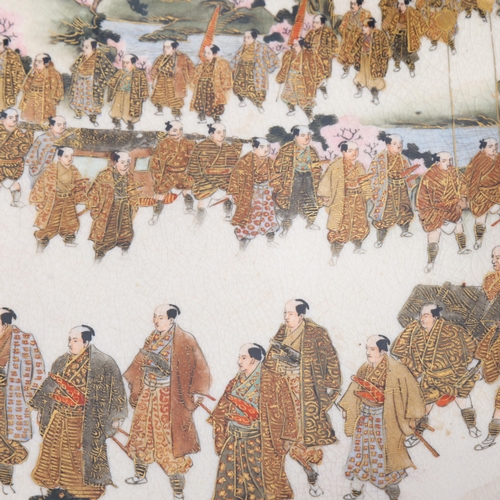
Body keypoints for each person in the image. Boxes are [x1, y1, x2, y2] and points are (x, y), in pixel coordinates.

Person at [29, 325, 127, 500]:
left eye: (75, 340)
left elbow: (117, 389)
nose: (70, 344)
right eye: (69, 340)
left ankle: (81, 494)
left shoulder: (103, 362)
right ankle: (56, 490)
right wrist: (41, 407)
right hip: (59, 416)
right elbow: (50, 385)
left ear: (86, 342)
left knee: (78, 457)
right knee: (54, 454)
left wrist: (117, 416)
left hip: (85, 419)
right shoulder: (62, 361)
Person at [124, 304, 211, 500]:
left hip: (168, 396)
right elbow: (139, 363)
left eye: (161, 317)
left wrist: (199, 391)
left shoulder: (185, 339)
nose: (156, 321)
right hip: (148, 392)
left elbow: (200, 366)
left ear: (171, 320)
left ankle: (178, 490)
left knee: (169, 439)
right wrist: (136, 381)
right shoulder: (152, 338)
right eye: (155, 316)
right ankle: (140, 474)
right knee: (141, 432)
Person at [264, 299, 341, 496]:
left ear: (301, 315)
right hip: (280, 392)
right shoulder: (282, 331)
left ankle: (310, 474)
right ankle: (281, 482)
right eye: (285, 313)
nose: (286, 317)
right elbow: (270, 360)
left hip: (304, 394)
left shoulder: (316, 333)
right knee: (277, 435)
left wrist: (332, 387)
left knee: (301, 438)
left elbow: (331, 359)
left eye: (290, 314)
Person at [339, 335, 425, 500]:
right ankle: (356, 491)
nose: (368, 352)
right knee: (360, 453)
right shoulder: (365, 368)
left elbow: (412, 392)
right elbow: (354, 388)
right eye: (367, 348)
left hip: (385, 419)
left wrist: (413, 417)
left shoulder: (397, 369)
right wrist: (347, 407)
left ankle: (393, 493)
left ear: (382, 351)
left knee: (387, 457)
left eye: (372, 349)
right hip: (364, 418)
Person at [209, 343, 297, 500]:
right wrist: (220, 428)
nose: (239, 361)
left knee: (259, 485)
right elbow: (221, 410)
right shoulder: (235, 381)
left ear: (253, 360)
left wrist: (288, 438)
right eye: (239, 357)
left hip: (259, 442)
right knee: (228, 484)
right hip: (234, 441)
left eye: (243, 357)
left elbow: (289, 412)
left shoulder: (275, 380)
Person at [391, 303, 481, 446]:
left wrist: (468, 365)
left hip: (453, 374)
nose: (422, 319)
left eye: (426, 316)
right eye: (421, 315)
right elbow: (404, 351)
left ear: (435, 317)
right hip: (431, 377)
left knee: (462, 397)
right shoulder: (416, 332)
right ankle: (418, 433)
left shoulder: (452, 330)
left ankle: (472, 426)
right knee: (424, 403)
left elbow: (470, 346)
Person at [0, 307, 44, 493]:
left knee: (6, 439)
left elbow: (39, 369)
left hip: (12, 398)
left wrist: (32, 396)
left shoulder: (24, 339)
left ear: (5, 323)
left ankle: (6, 481)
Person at [317, 141, 372, 265]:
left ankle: (358, 246)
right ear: (343, 152)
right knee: (340, 226)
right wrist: (325, 195)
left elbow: (364, 181)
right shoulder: (336, 166)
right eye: (350, 151)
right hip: (342, 200)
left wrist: (367, 194)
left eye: (356, 150)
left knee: (359, 223)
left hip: (358, 199)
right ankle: (335, 254)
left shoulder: (359, 165)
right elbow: (326, 181)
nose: (354, 153)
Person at [416, 151, 470, 273]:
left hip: (452, 207)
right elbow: (425, 197)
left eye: (450, 160)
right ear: (437, 162)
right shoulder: (430, 176)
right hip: (434, 210)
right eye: (444, 161)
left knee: (459, 226)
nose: (448, 163)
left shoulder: (454, 172)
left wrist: (462, 197)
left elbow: (463, 184)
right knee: (434, 234)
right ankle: (430, 261)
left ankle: (462, 248)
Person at [29, 147, 88, 252]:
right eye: (66, 156)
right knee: (50, 224)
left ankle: (69, 239)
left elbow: (79, 185)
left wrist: (82, 194)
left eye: (71, 156)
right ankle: (42, 243)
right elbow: (41, 184)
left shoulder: (74, 170)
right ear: (59, 157)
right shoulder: (52, 169)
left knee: (71, 222)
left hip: (68, 200)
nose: (70, 159)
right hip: (55, 200)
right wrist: (39, 201)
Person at [87, 150, 141, 261]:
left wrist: (134, 203)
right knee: (106, 235)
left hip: (125, 208)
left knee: (125, 234)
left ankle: (125, 256)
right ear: (115, 163)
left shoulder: (129, 176)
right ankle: (98, 258)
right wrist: (95, 209)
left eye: (128, 161)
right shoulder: (104, 176)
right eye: (122, 162)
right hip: (109, 209)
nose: (126, 165)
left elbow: (133, 193)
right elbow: (92, 193)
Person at [228, 137, 280, 250]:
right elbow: (235, 178)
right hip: (251, 193)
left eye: (268, 147)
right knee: (251, 217)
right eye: (262, 147)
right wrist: (235, 194)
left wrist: (276, 185)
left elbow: (275, 176)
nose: (266, 150)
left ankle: (270, 240)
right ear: (254, 148)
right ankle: (243, 244)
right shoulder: (245, 161)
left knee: (269, 215)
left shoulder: (269, 161)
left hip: (266, 192)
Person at [273, 125, 325, 237]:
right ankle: (285, 226)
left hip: (308, 178)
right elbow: (277, 169)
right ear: (296, 136)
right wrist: (279, 185)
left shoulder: (312, 151)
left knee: (311, 200)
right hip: (293, 179)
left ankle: (310, 222)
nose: (307, 138)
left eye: (309, 135)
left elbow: (317, 168)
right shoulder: (286, 150)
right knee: (291, 203)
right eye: (303, 135)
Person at [187, 123, 242, 224]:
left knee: (230, 195)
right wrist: (198, 180)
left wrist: (237, 146)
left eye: (224, 132)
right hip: (205, 181)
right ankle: (199, 220)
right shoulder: (202, 146)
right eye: (219, 132)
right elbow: (193, 167)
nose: (222, 134)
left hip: (224, 180)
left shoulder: (227, 147)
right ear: (212, 134)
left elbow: (235, 163)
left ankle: (228, 215)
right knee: (202, 204)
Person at [474, 246, 500, 450]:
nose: (493, 261)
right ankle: (492, 435)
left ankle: (491, 435)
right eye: (493, 257)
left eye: (498, 258)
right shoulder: (491, 280)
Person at [370, 133, 414, 248]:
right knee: (386, 213)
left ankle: (405, 230)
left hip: (401, 188)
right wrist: (379, 185)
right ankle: (380, 239)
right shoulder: (380, 159)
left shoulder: (403, 159)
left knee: (405, 209)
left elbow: (409, 174)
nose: (399, 146)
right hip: (388, 189)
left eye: (400, 143)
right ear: (388, 145)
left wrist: (409, 180)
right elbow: (372, 175)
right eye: (395, 143)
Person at [148, 120, 196, 225]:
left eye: (180, 129)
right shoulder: (163, 144)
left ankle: (189, 208)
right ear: (168, 131)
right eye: (174, 130)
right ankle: (155, 215)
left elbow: (195, 156)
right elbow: (156, 161)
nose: (178, 132)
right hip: (167, 174)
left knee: (187, 190)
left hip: (182, 173)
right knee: (160, 195)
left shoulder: (188, 143)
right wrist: (158, 176)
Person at [69, 38, 117, 127]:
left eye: (86, 47)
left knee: (92, 101)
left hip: (92, 81)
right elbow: (74, 67)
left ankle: (93, 118)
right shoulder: (82, 57)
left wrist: (105, 80)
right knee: (79, 97)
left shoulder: (100, 57)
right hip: (80, 79)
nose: (83, 48)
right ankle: (79, 113)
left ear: (93, 48)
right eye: (83, 46)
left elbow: (110, 70)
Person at [464, 138, 500, 250]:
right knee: (480, 217)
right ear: (483, 148)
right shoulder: (478, 160)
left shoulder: (499, 158)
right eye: (490, 146)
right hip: (480, 192)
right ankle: (479, 239)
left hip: (497, 190)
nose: (494, 148)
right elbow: (470, 178)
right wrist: (469, 196)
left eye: (496, 145)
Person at [231, 29, 279, 112]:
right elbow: (236, 58)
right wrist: (234, 68)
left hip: (255, 71)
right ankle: (242, 100)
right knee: (239, 86)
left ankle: (259, 105)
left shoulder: (262, 46)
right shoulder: (243, 47)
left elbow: (273, 57)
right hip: (242, 69)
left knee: (255, 90)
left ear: (254, 38)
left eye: (248, 37)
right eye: (245, 37)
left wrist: (272, 66)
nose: (245, 39)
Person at [276, 38, 322, 121]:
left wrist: (317, 80)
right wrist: (281, 77)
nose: (293, 47)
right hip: (290, 78)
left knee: (304, 99)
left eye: (296, 45)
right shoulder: (289, 55)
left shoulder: (308, 55)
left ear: (302, 46)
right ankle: (291, 109)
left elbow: (315, 67)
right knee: (288, 95)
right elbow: (284, 67)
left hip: (302, 80)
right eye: (293, 45)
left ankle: (309, 116)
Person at [150, 40, 195, 118]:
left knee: (175, 98)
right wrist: (153, 75)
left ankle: (176, 114)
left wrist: (188, 79)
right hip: (162, 79)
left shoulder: (182, 57)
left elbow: (191, 68)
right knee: (159, 96)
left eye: (168, 47)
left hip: (175, 80)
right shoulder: (161, 57)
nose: (165, 49)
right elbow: (155, 68)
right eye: (164, 47)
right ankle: (159, 109)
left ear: (174, 48)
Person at [352, 18, 391, 105]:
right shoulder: (361, 36)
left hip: (374, 62)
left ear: (370, 27)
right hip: (363, 60)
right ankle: (359, 91)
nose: (363, 28)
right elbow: (355, 48)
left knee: (373, 81)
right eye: (363, 26)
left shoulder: (379, 34)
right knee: (360, 77)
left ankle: (375, 97)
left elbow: (385, 47)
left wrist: (383, 59)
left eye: (365, 27)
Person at [0, 108, 33, 207]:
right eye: (11, 117)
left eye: (16, 117)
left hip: (13, 166)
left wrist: (29, 136)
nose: (14, 119)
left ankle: (15, 202)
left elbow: (23, 148)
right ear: (2, 120)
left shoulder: (18, 132)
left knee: (16, 186)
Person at [191, 45, 232, 124]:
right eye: (205, 53)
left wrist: (223, 86)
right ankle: (202, 117)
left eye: (208, 53)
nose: (205, 55)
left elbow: (225, 76)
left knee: (213, 103)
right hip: (201, 86)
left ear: (215, 54)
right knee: (200, 101)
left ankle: (216, 120)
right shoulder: (202, 64)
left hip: (213, 87)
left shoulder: (221, 63)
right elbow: (197, 74)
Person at [386, 0, 427, 77]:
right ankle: (397, 62)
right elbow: (392, 26)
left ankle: (411, 66)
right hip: (397, 36)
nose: (399, 6)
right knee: (394, 49)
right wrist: (393, 31)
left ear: (406, 5)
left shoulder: (412, 13)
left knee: (405, 52)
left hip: (407, 37)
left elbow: (419, 21)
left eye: (401, 4)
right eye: (398, 4)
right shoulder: (397, 15)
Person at [25, 115, 68, 187]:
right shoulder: (42, 138)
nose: (62, 127)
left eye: (64, 124)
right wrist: (33, 165)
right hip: (40, 169)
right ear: (51, 126)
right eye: (59, 125)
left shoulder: (66, 139)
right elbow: (32, 154)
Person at [108, 54, 149, 131]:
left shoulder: (139, 73)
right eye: (123, 62)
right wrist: (112, 84)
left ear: (133, 63)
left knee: (130, 110)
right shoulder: (120, 71)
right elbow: (113, 80)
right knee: (117, 109)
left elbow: (143, 84)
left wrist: (144, 95)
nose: (124, 65)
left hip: (132, 94)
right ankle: (117, 123)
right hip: (119, 93)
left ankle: (130, 124)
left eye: (127, 63)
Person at [19, 54, 64, 124]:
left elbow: (57, 89)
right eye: (36, 61)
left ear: (46, 64)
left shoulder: (54, 74)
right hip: (32, 97)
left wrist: (54, 100)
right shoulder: (33, 72)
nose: (36, 63)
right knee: (28, 118)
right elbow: (26, 86)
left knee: (43, 120)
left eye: (39, 62)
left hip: (44, 99)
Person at [304, 15, 338, 99]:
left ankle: (323, 91)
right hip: (313, 59)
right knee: (313, 76)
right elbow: (306, 43)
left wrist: (332, 53)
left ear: (322, 24)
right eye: (313, 22)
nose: (314, 24)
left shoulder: (328, 32)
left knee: (322, 77)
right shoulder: (311, 33)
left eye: (316, 22)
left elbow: (335, 44)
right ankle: (313, 93)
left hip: (324, 59)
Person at [338, 0, 372, 79]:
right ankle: (346, 68)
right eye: (351, 4)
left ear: (359, 5)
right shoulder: (348, 15)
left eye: (354, 4)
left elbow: (370, 28)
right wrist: (347, 32)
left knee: (359, 57)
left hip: (360, 39)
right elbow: (341, 27)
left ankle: (359, 74)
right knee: (346, 55)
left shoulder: (366, 14)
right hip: (348, 39)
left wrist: (360, 33)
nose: (352, 6)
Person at [0, 36, 26, 111]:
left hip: (4, 86)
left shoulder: (12, 56)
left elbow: (20, 75)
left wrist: (15, 91)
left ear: (5, 46)